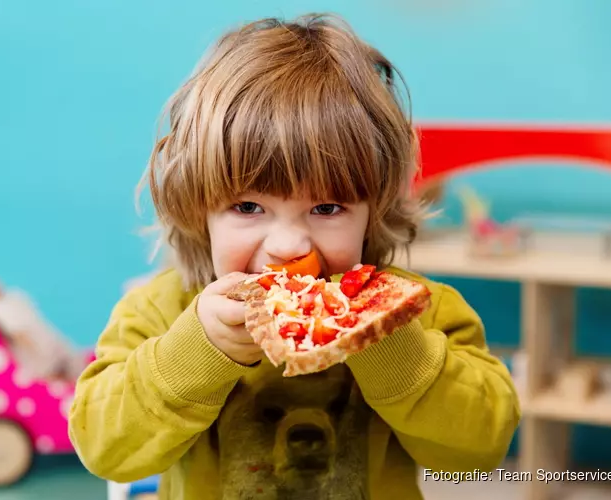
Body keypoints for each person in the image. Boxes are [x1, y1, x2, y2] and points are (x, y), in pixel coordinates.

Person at [69, 13, 520, 500]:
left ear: (375, 210)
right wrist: (197, 352)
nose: (288, 247)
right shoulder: (160, 310)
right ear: (200, 207)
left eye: (326, 208)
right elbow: (104, 449)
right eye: (248, 207)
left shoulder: (420, 308)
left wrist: (391, 345)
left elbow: (481, 449)